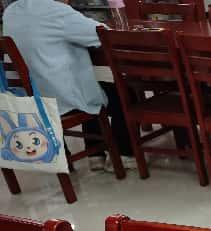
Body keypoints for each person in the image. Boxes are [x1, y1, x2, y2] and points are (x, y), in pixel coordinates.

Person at [2, 0, 134, 171]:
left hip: (32, 98)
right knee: (124, 93)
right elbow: (102, 34)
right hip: (60, 96)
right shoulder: (55, 11)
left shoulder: (11, 12)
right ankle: (123, 155)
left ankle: (96, 155)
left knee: (91, 85)